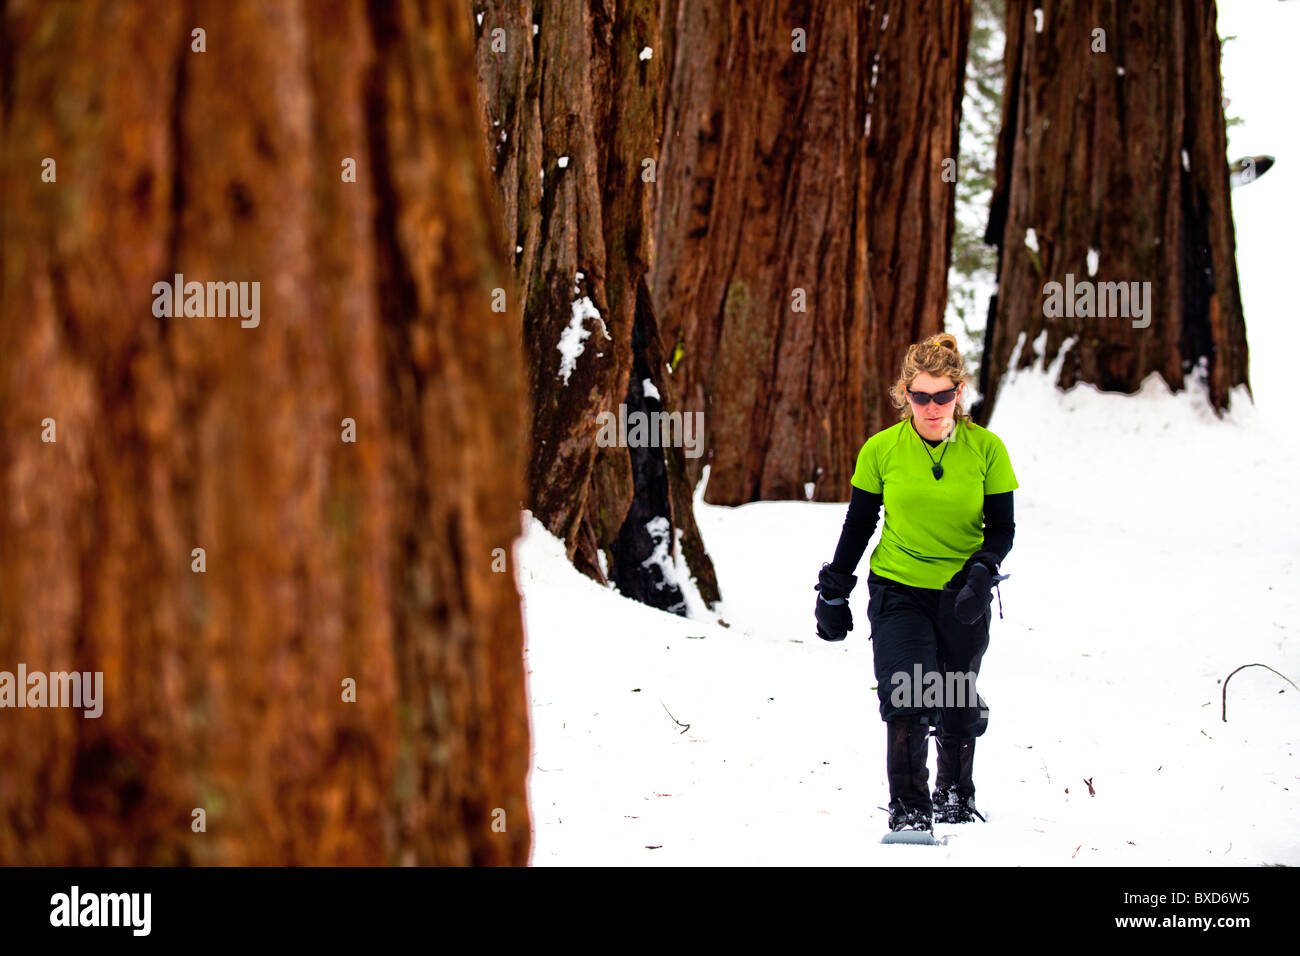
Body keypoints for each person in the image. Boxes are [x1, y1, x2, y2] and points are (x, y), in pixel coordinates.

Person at [813, 332, 1018, 834]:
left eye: (943, 395)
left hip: (962, 593)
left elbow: (1003, 529)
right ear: (906, 394)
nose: (932, 407)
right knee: (906, 692)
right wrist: (834, 589)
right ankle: (909, 811)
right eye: (921, 396)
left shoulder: (987, 449)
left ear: (959, 392)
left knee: (953, 696)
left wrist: (982, 570)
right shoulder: (881, 450)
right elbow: (859, 524)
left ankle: (956, 793)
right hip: (897, 588)